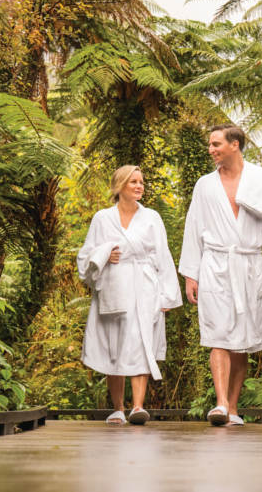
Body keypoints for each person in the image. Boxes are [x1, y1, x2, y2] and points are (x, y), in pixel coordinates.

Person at [180, 125, 262, 426]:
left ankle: (233, 408)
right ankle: (220, 404)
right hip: (215, 266)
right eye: (209, 144)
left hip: (248, 267)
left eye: (216, 144)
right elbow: (194, 228)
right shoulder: (204, 186)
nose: (211, 150)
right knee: (217, 334)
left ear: (235, 144)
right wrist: (191, 274)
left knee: (242, 341)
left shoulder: (260, 181)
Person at [77, 165, 182, 425]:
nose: (139, 186)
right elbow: (85, 255)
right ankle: (118, 408)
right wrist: (104, 254)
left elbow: (163, 256)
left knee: (141, 342)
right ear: (120, 186)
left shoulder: (152, 218)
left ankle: (137, 407)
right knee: (116, 345)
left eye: (141, 182)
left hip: (146, 286)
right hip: (114, 286)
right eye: (133, 182)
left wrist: (167, 296)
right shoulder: (102, 218)